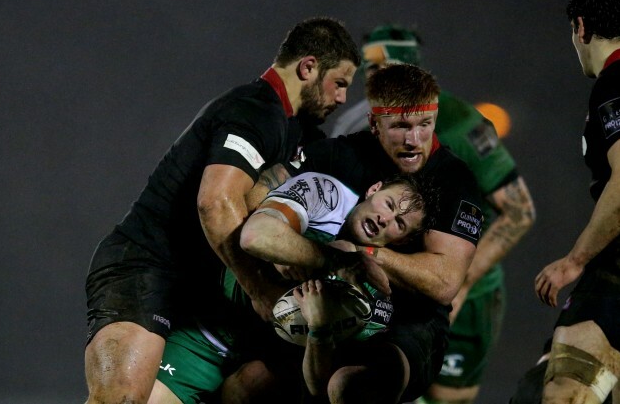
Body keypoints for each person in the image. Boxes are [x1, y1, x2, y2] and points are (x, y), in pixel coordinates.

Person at [83, 16, 361, 404]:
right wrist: (261, 288)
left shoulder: (297, 133)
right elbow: (215, 204)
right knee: (122, 399)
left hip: (198, 293)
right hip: (145, 268)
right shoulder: (254, 110)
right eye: (341, 84)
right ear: (309, 67)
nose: (343, 99)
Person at [224, 63, 485, 403]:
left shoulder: (455, 182)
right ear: (375, 124)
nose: (414, 140)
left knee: (348, 386)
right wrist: (280, 249)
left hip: (406, 324)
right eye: (401, 126)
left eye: (425, 125)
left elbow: (445, 281)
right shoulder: (341, 154)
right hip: (324, 300)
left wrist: (363, 255)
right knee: (245, 386)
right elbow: (257, 194)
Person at [330, 24, 536, 404]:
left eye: (382, 67)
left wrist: (462, 284)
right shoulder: (356, 124)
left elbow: (520, 211)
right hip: (384, 284)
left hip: (460, 291)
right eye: (368, 70)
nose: (371, 79)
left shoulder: (460, 122)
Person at [148, 170, 439, 404]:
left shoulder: (376, 295)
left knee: (256, 382)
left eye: (399, 224)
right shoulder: (324, 194)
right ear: (374, 189)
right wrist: (320, 258)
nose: (384, 219)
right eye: (388, 205)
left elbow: (319, 386)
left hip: (270, 368)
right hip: (210, 336)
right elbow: (256, 236)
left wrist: (319, 328)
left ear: (401, 241)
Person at [532, 0, 620, 402]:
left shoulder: (616, 81)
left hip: (617, 271)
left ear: (581, 28)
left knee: (562, 390)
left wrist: (575, 260)